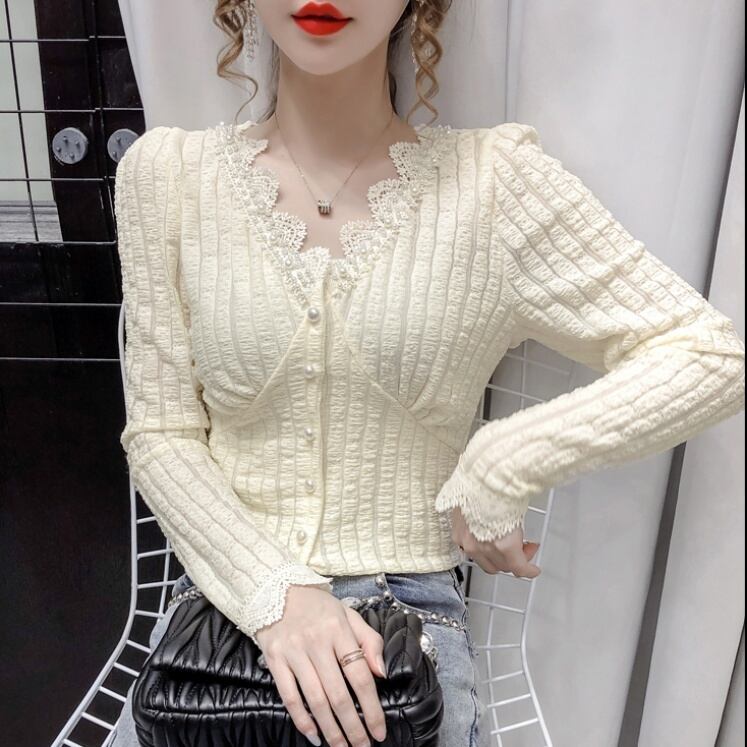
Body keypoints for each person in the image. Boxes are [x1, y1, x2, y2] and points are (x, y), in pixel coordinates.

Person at [110, 1, 746, 746]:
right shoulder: (166, 177)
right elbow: (161, 433)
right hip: (220, 620)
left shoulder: (493, 185)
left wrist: (502, 460)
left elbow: (707, 355)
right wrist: (278, 596)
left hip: (405, 634)